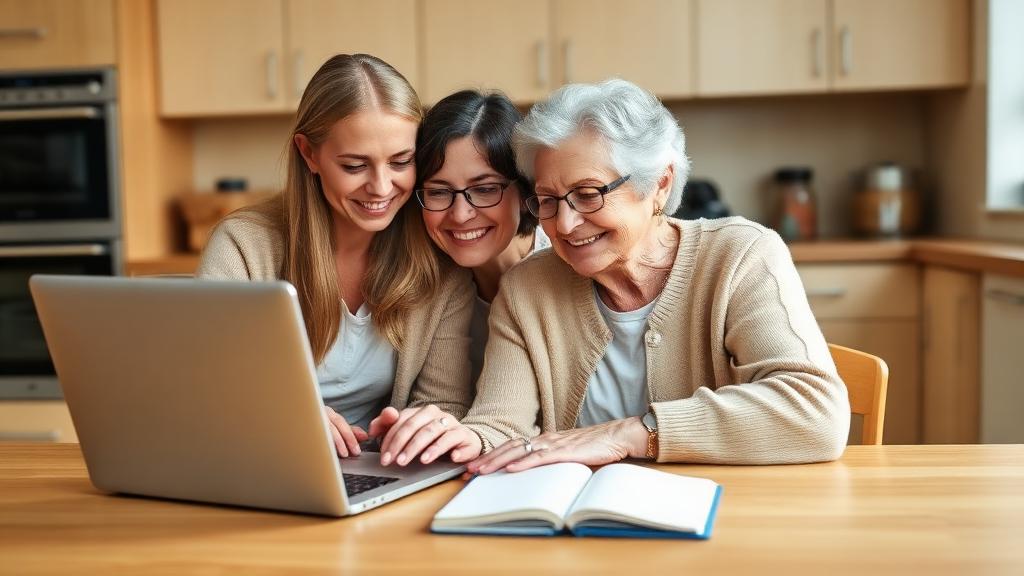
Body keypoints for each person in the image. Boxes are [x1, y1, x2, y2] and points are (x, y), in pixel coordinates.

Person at [397, 78, 851, 471]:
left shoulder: (740, 256)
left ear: (660, 184)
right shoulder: (528, 287)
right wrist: (468, 439)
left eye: (589, 193)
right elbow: (500, 423)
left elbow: (815, 413)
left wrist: (633, 434)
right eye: (549, 200)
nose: (565, 224)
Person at [197, 54, 474, 459]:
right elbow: (206, 387)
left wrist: (413, 431)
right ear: (309, 154)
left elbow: (446, 404)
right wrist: (284, 416)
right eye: (355, 165)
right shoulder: (244, 246)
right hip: (260, 460)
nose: (381, 187)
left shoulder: (437, 256)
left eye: (401, 162)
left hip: (378, 470)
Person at [368, 90, 549, 467]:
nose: (461, 213)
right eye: (439, 192)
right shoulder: (424, 282)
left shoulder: (567, 263)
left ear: (526, 188)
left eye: (485, 189)